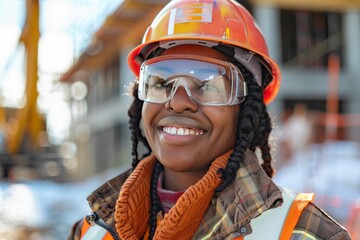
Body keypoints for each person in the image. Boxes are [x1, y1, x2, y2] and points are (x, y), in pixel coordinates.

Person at [68, 0, 351, 239]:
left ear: (246, 110)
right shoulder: (91, 230)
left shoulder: (302, 232)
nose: (177, 101)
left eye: (208, 84)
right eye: (160, 82)